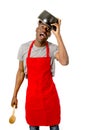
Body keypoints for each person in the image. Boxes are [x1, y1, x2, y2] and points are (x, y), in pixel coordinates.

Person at [11, 11, 69, 130]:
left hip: (50, 99)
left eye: (48, 29)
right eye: (42, 26)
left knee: (54, 126)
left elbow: (64, 62)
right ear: (37, 28)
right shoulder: (24, 48)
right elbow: (21, 72)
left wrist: (58, 35)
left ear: (49, 34)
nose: (44, 30)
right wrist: (14, 95)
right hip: (33, 99)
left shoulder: (53, 49)